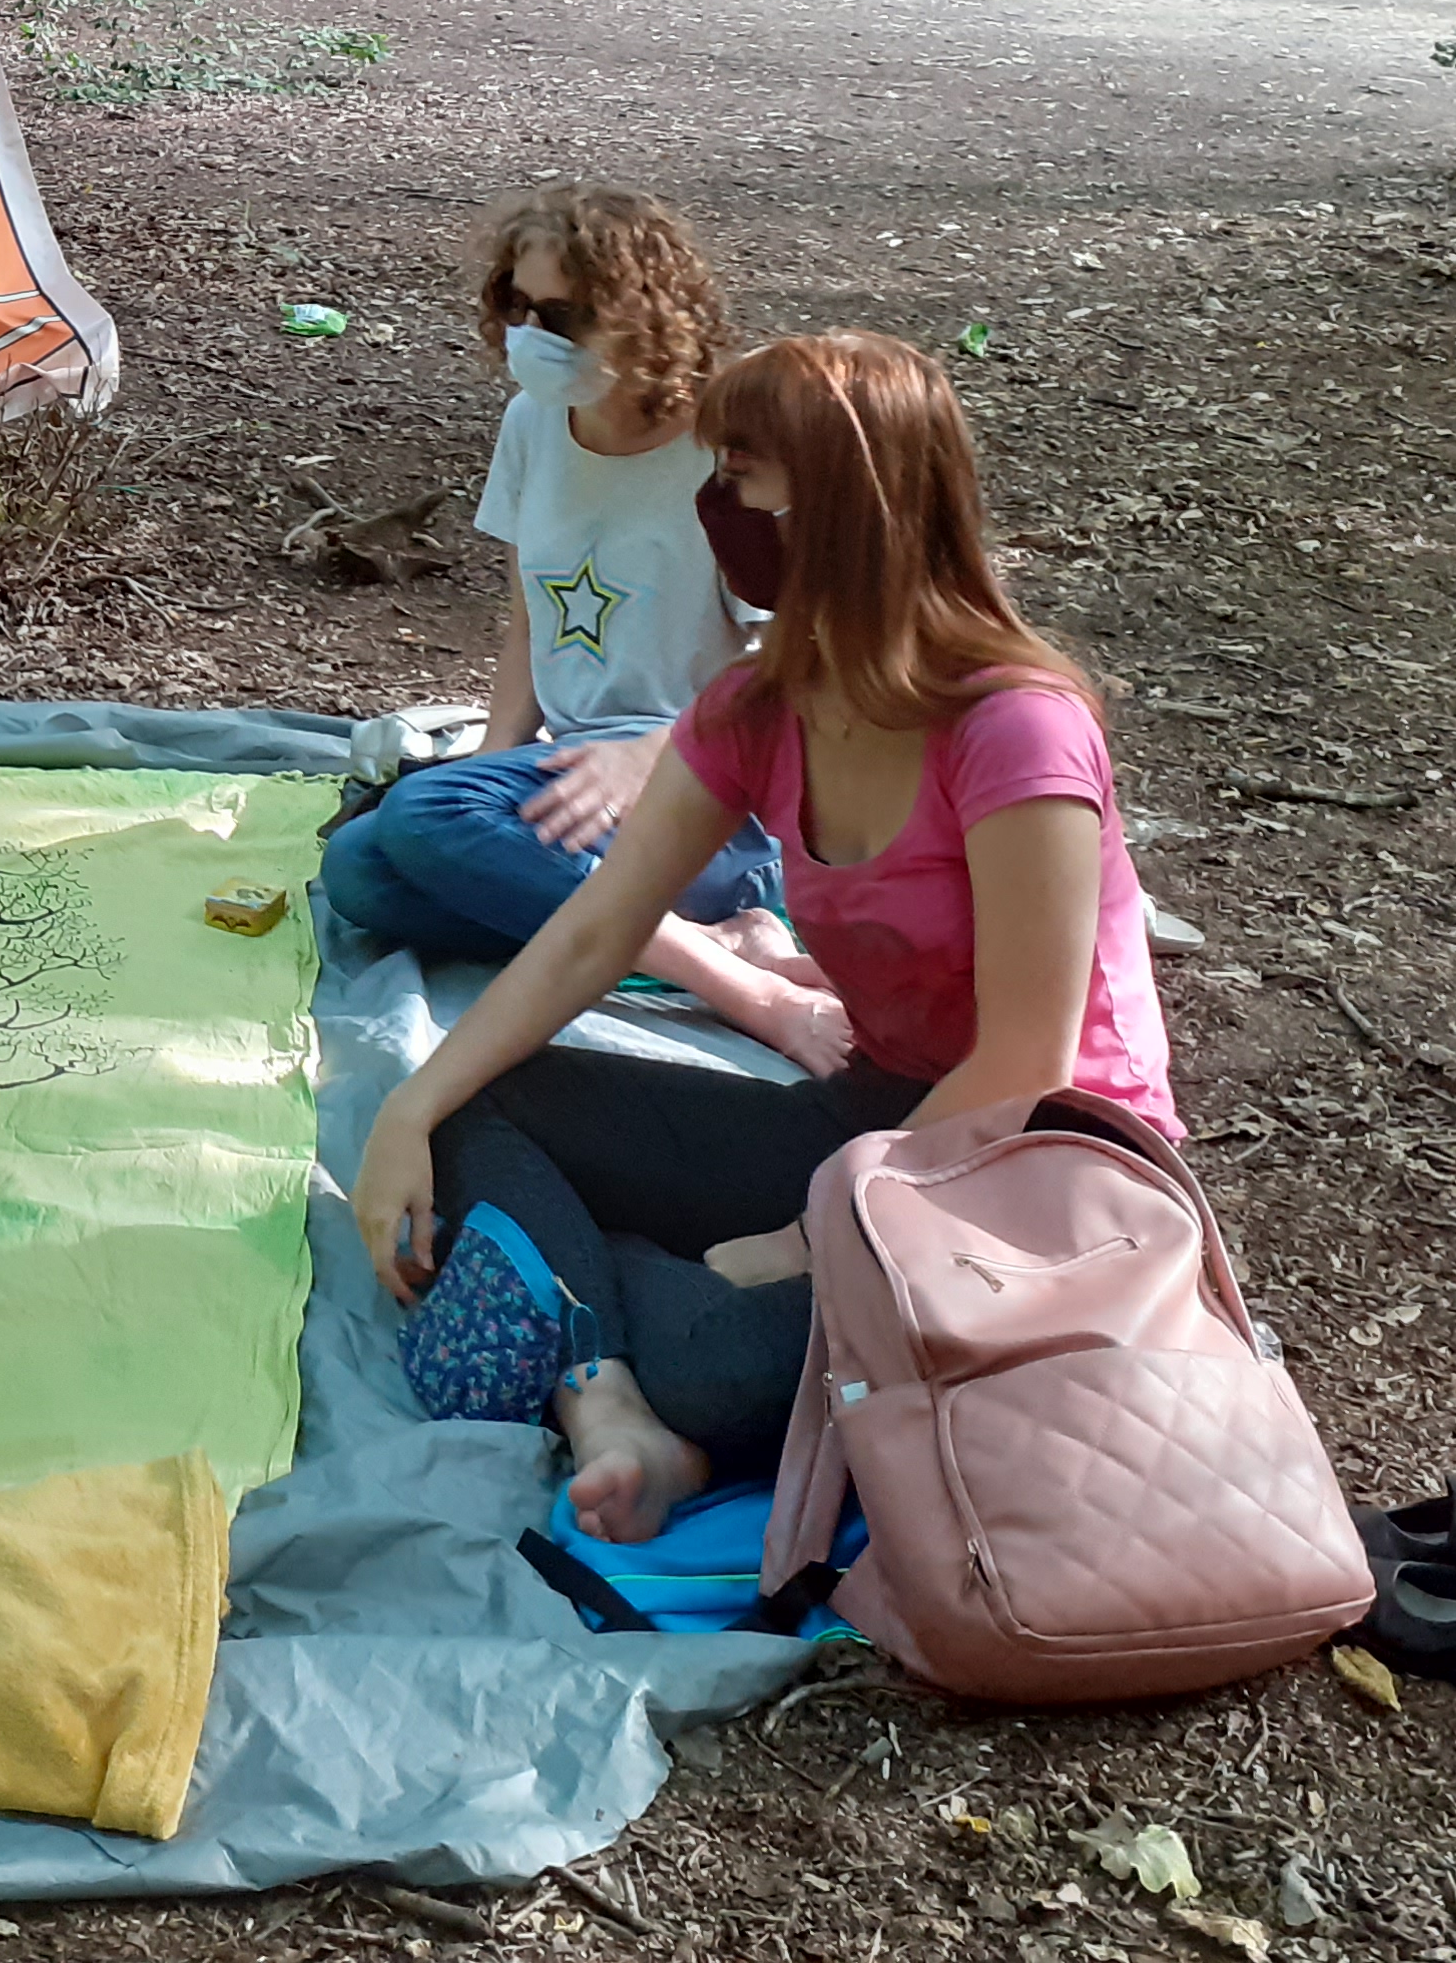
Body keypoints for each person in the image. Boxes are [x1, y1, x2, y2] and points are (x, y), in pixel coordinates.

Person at [350, 331, 1182, 1547]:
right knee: (486, 1106)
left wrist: (804, 1240)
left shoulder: (1015, 728)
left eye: (740, 473)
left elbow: (1027, 1059)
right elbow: (594, 931)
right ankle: (605, 1394)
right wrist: (407, 1110)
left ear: (846, 502)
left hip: (1042, 1163)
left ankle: (605, 1327)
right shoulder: (761, 703)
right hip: (870, 1110)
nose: (715, 505)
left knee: (718, 1360)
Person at [321, 188, 840, 1067]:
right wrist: (490, 767)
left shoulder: (729, 451)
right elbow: (530, 618)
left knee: (422, 816)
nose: (529, 332)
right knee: (360, 871)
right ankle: (710, 942)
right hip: (575, 774)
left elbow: (802, 667)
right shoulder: (531, 424)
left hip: (716, 791)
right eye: (515, 303)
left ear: (643, 314)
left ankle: (748, 992)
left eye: (560, 314)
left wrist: (653, 755)